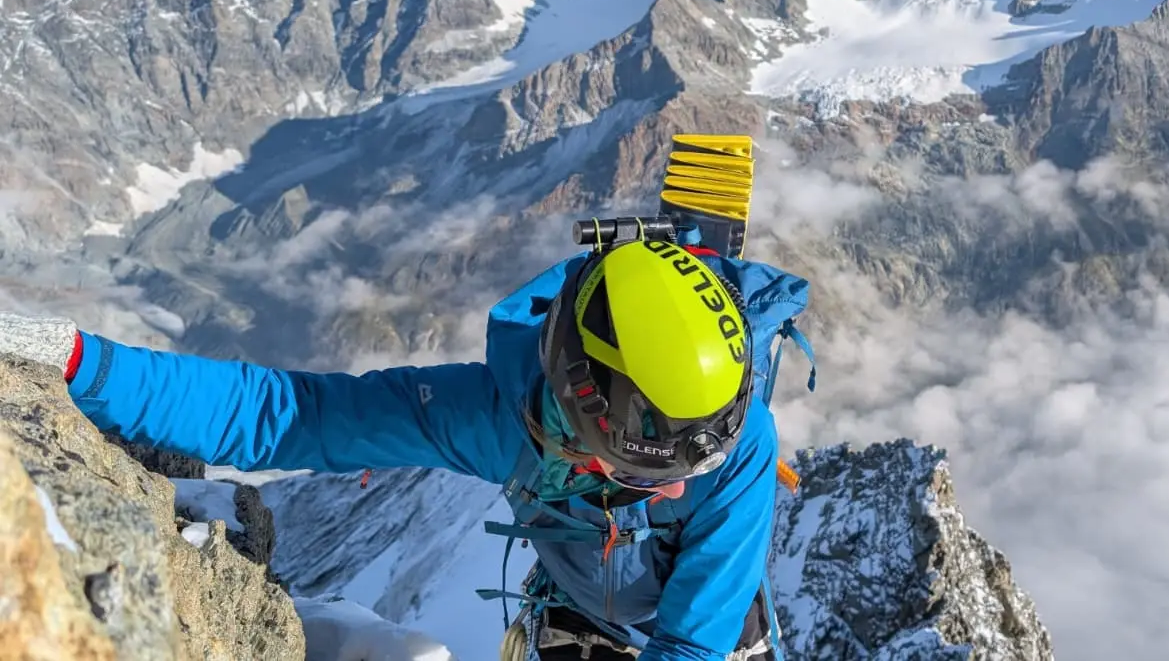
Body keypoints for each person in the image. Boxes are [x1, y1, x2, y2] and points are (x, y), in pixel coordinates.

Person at [0, 230, 812, 661]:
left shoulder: (740, 450)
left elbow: (692, 645)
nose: (674, 492)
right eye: (639, 473)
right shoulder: (491, 418)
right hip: (582, 616)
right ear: (573, 401)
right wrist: (82, 360)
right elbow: (283, 415)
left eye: (687, 471)